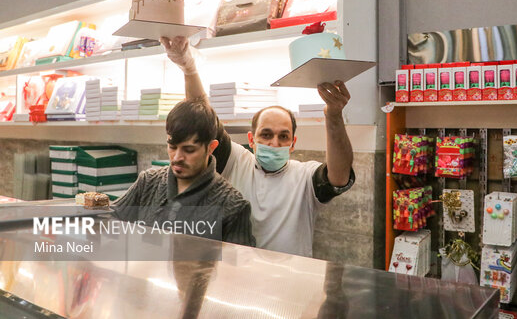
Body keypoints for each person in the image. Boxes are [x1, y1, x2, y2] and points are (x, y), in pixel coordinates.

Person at [160, 35, 355, 257]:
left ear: (293, 143)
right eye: (266, 135)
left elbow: (339, 177)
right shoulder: (237, 162)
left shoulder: (305, 177)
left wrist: (334, 115)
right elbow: (205, 121)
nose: (274, 143)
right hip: (239, 281)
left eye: (283, 136)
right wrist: (189, 69)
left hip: (291, 283)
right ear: (251, 140)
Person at [114, 98, 255, 247]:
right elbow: (107, 221)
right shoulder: (147, 183)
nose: (177, 158)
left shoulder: (233, 206)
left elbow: (237, 266)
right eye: (172, 147)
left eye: (189, 150)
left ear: (211, 147)